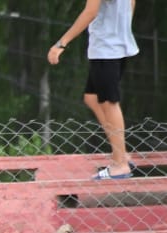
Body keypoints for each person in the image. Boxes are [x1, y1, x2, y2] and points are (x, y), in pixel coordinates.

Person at [48, 0, 139, 180]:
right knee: (92, 97)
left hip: (106, 49)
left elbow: (90, 12)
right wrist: (122, 28)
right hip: (118, 45)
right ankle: (121, 153)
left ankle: (120, 164)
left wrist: (61, 44)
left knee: (109, 103)